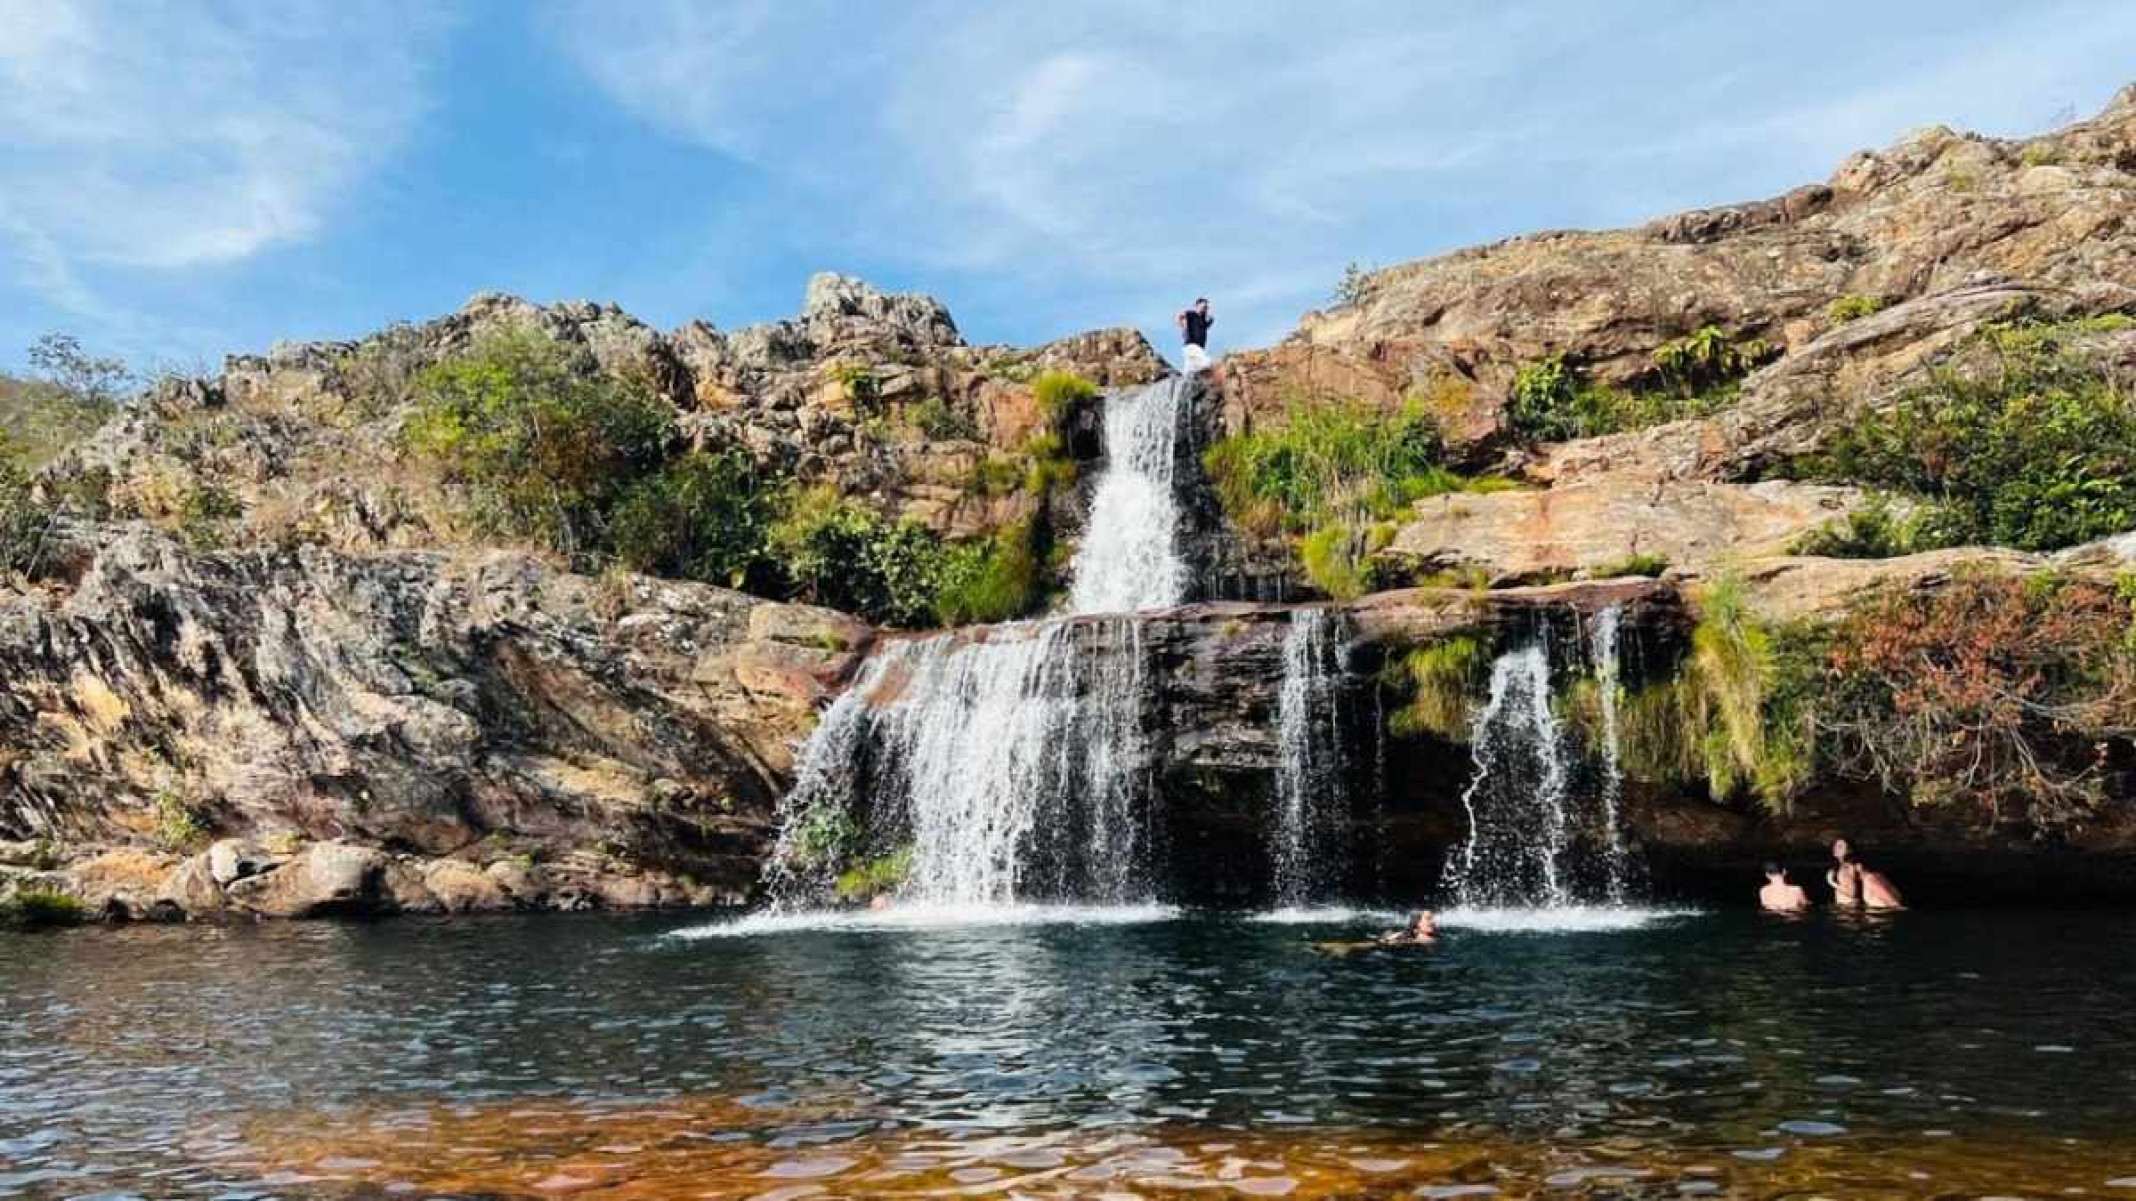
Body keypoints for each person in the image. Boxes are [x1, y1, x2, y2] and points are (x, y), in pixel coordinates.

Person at [1177, 297, 1214, 372]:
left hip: (1198, 348)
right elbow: (1179, 316)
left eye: (1206, 308)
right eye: (1204, 307)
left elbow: (1206, 326)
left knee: (1190, 371)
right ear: (1197, 306)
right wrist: (1183, 326)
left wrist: (1210, 320)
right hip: (1192, 346)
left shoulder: (1203, 320)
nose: (1205, 309)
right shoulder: (1191, 314)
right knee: (1207, 363)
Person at [1826, 837, 1863, 906]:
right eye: (1835, 846)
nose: (1836, 848)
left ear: (1848, 850)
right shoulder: (1837, 868)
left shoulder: (1850, 867)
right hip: (1842, 906)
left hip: (1850, 907)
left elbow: (1852, 893)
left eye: (1840, 847)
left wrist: (1832, 883)